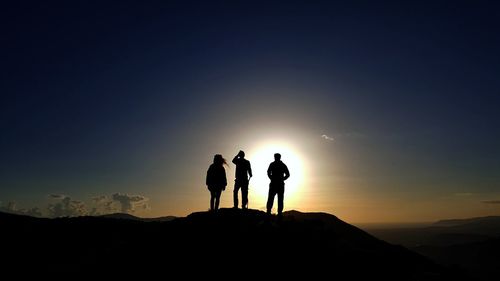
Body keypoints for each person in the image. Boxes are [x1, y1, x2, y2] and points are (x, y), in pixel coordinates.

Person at [266, 153, 290, 217]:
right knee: (272, 198)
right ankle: (269, 212)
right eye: (275, 157)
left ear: (279, 157)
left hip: (278, 184)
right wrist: (271, 178)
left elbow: (288, 174)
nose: (275, 158)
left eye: (276, 157)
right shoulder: (274, 164)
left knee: (279, 199)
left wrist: (282, 179)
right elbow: (268, 172)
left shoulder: (280, 165)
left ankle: (278, 213)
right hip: (276, 184)